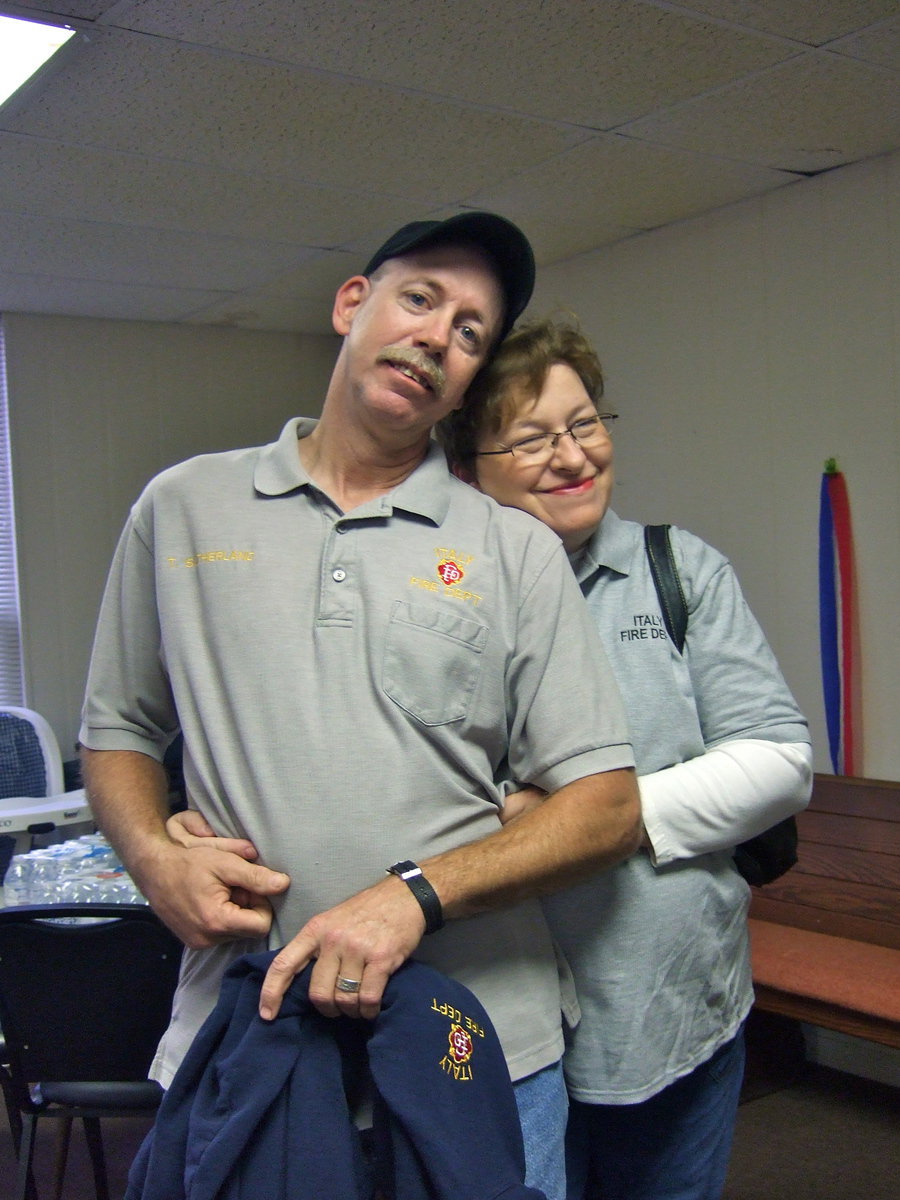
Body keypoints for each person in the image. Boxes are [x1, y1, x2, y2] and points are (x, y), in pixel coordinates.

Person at [79, 213, 641, 1199]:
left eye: (471, 331)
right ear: (353, 305)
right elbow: (118, 730)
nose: (437, 336)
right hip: (245, 1036)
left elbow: (606, 806)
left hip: (481, 1048)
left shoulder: (513, 549)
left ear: (469, 380)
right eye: (420, 299)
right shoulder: (183, 508)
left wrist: (410, 895)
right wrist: (152, 857)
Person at [437, 316, 813, 1200]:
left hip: (670, 1008)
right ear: (466, 471)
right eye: (531, 439)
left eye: (585, 424)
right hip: (499, 1016)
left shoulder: (681, 571)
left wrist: (595, 820)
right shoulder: (440, 598)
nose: (572, 456)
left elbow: (779, 759)